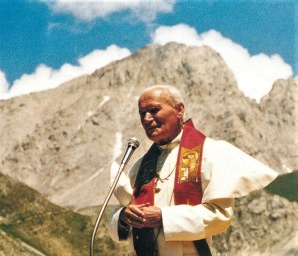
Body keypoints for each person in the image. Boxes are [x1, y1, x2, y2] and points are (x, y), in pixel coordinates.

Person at [109, 85, 278, 256]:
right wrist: (123, 217)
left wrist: (164, 217)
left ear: (179, 110)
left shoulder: (209, 152)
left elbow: (219, 216)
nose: (146, 119)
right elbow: (123, 216)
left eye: (154, 110)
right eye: (142, 113)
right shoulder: (140, 165)